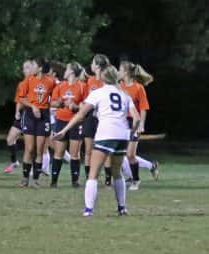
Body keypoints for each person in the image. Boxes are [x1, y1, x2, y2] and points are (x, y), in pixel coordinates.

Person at [53, 65, 140, 216]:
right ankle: (122, 207)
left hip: (106, 133)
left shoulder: (98, 93)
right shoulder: (124, 94)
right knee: (117, 172)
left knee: (93, 173)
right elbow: (137, 118)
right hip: (122, 135)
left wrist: (64, 130)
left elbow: (81, 115)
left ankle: (88, 210)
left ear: (103, 77)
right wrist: (131, 132)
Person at [17, 58, 56, 188]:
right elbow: (21, 98)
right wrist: (33, 106)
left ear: (40, 68)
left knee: (39, 150)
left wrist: (56, 104)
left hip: (43, 116)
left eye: (33, 65)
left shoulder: (50, 82)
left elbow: (55, 99)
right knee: (29, 148)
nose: (31, 67)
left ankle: (36, 179)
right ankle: (25, 178)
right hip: (30, 115)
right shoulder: (28, 80)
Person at [49, 62, 87, 188]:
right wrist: (60, 103)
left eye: (67, 69)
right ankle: (54, 182)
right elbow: (52, 103)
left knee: (74, 153)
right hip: (61, 120)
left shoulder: (82, 86)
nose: (64, 71)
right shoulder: (60, 86)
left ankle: (75, 181)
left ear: (71, 72)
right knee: (58, 152)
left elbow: (86, 105)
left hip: (76, 122)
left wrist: (75, 106)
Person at [119, 61, 155, 190]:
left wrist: (141, 125)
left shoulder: (138, 87)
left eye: (120, 70)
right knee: (120, 154)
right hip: (121, 123)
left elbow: (143, 108)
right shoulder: (119, 86)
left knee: (130, 155)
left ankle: (136, 180)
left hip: (134, 122)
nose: (118, 72)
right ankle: (129, 177)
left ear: (126, 72)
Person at [82, 54, 109, 181]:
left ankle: (108, 180)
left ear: (97, 66)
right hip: (90, 118)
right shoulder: (90, 80)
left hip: (103, 118)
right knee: (88, 150)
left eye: (93, 63)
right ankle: (89, 179)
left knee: (105, 150)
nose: (91, 65)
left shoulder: (106, 81)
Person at [4, 60, 32, 174]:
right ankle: (15, 161)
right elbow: (19, 100)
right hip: (23, 115)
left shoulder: (35, 83)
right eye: (24, 68)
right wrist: (17, 112)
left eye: (27, 67)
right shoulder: (22, 84)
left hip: (32, 116)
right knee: (10, 139)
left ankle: (33, 168)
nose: (25, 70)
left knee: (30, 145)